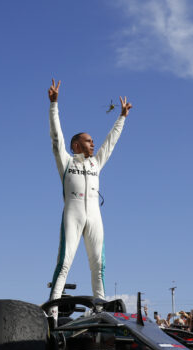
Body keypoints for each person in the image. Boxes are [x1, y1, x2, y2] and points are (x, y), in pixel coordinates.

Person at [47, 79, 133, 319]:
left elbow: (111, 142)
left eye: (93, 141)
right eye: (88, 140)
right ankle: (52, 312)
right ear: (76, 145)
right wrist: (54, 105)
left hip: (95, 216)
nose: (93, 143)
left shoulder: (96, 162)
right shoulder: (65, 161)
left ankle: (100, 311)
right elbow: (56, 137)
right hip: (73, 215)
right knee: (64, 263)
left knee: (99, 265)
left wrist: (122, 118)